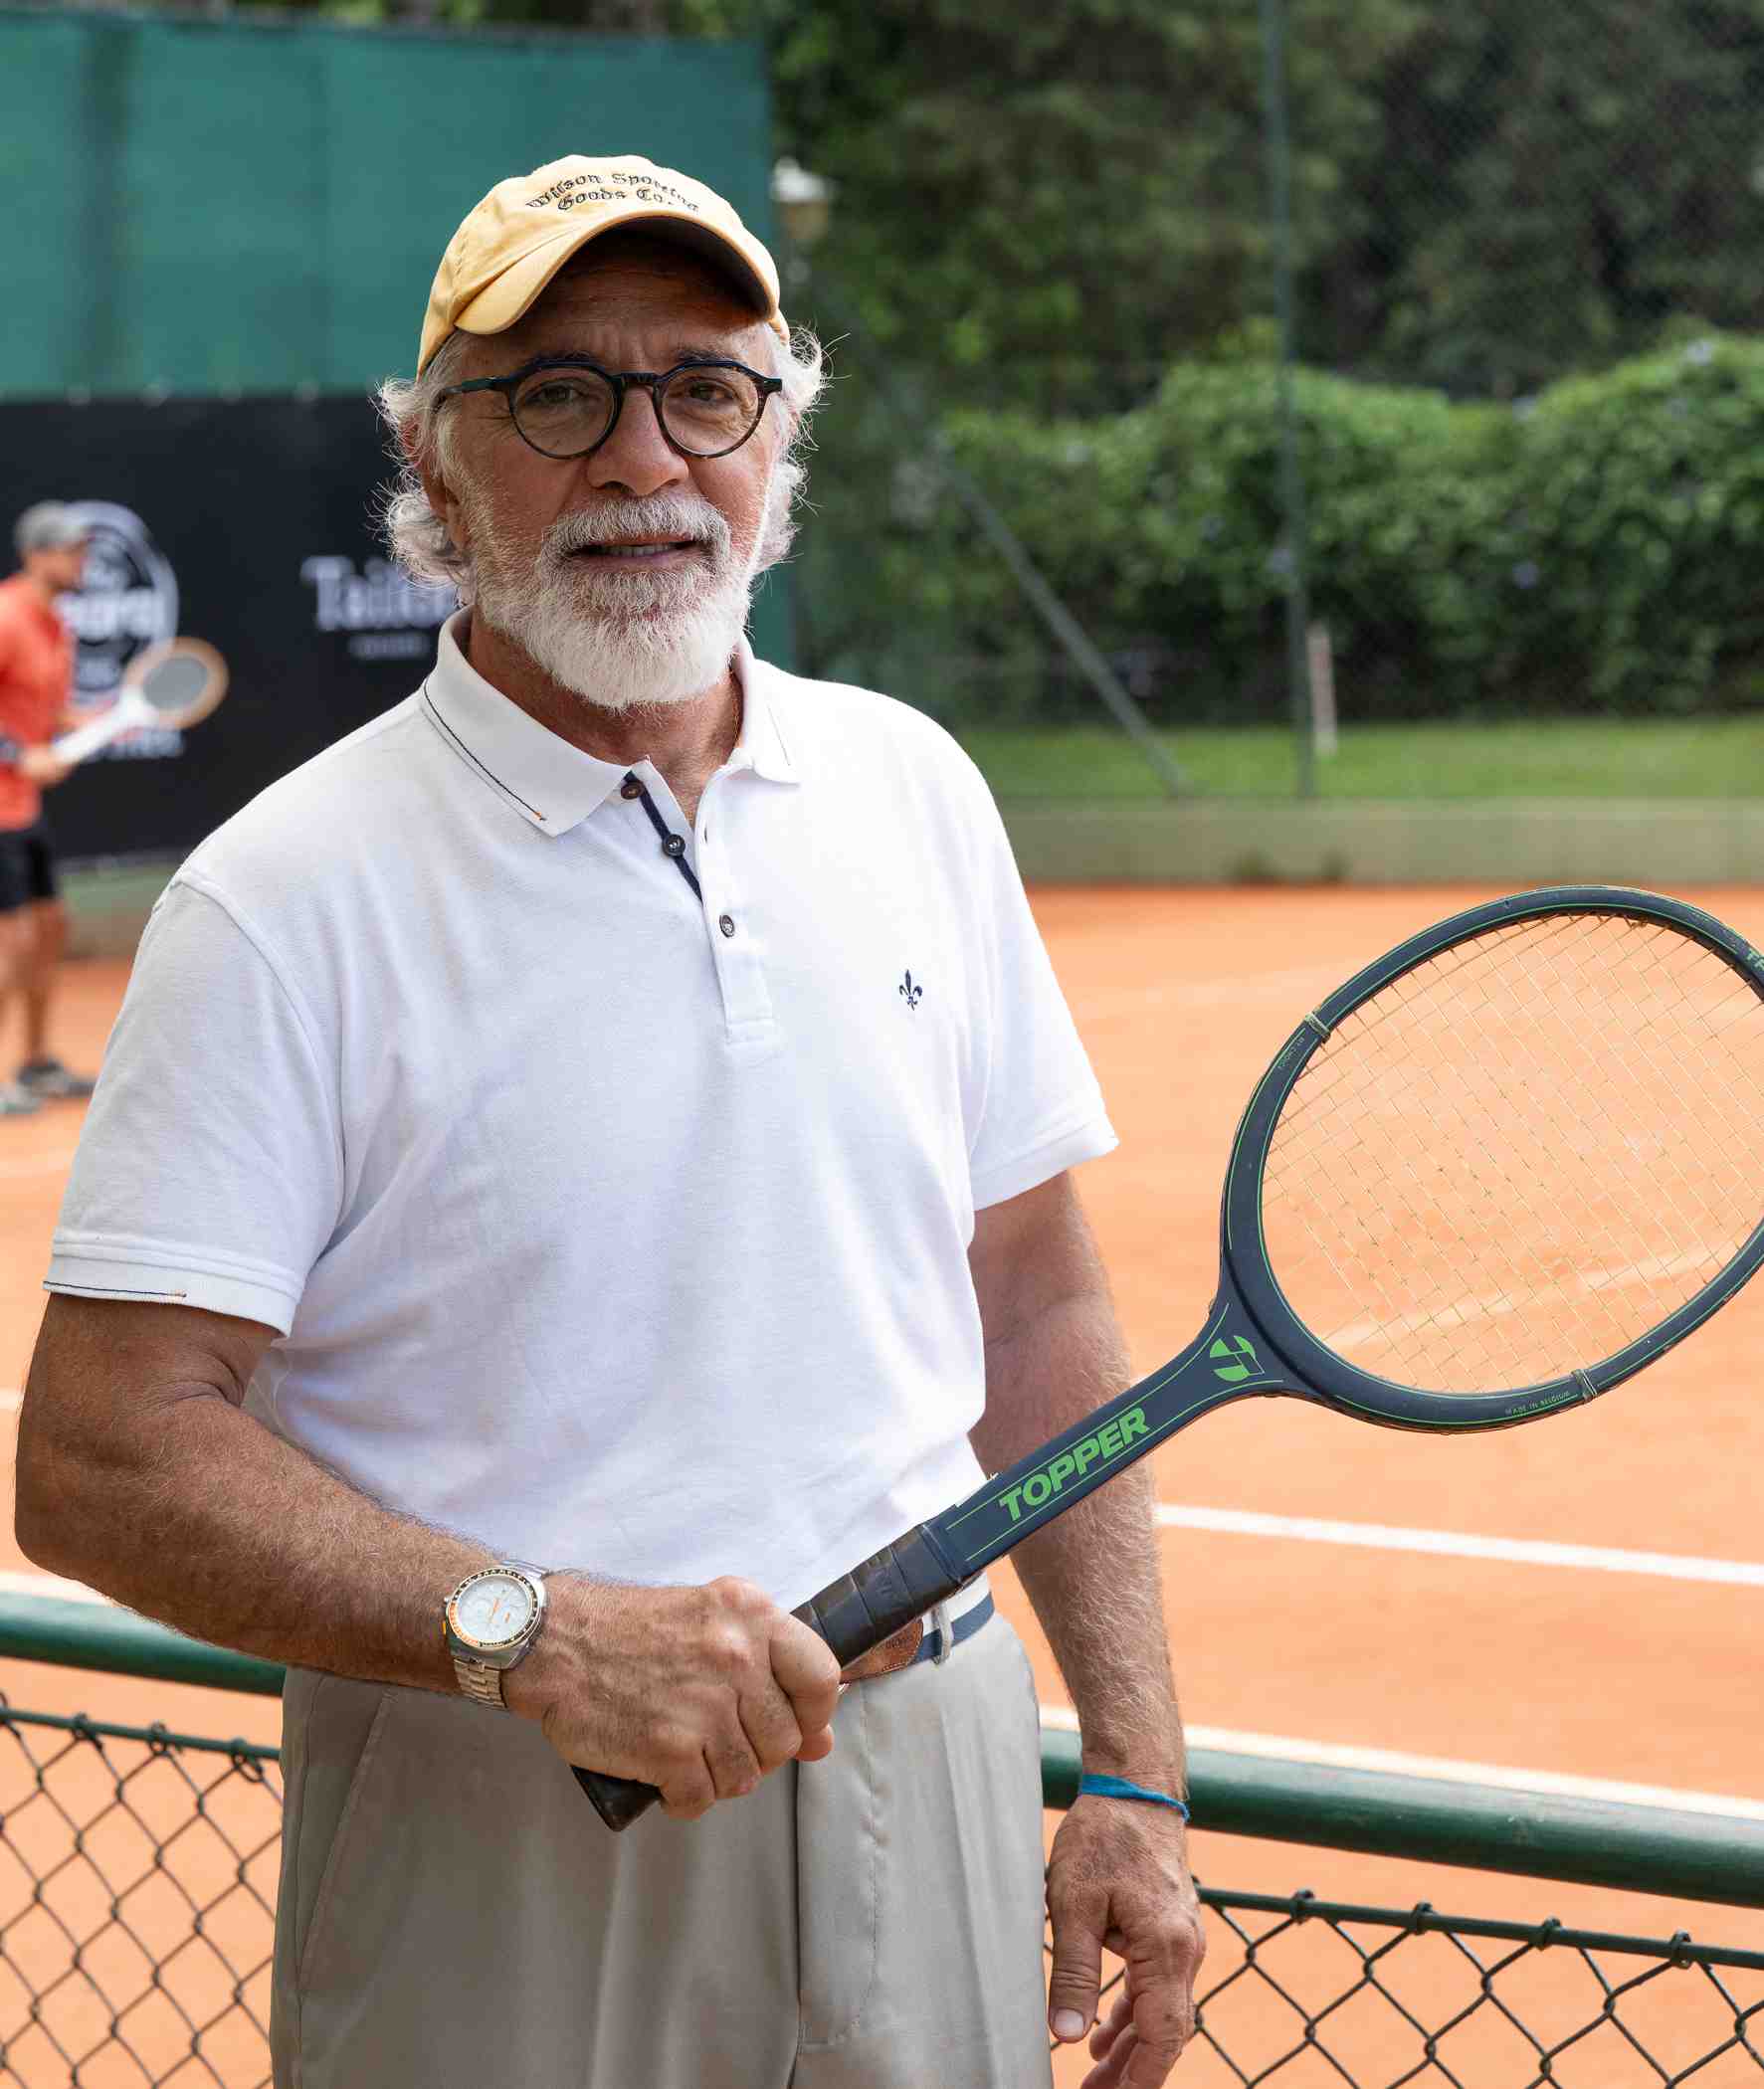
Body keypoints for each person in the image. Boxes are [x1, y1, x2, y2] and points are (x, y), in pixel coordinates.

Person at [16, 155, 1203, 2088]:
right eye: (558, 394)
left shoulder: (914, 787)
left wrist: (1134, 1768)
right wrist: (530, 1634)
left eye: (706, 390)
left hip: (935, 1767)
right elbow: (97, 1456)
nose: (644, 459)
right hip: (505, 1806)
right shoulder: (280, 898)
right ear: (434, 457)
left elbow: (1035, 1303)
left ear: (776, 437)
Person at [0, 504, 98, 1115]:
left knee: (48, 929)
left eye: (82, 549)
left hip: (23, 810)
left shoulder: (57, 626)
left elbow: (44, 711)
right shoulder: (7, 617)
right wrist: (17, 755)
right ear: (36, 556)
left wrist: (87, 722)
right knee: (11, 942)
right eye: (70, 550)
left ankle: (35, 1063)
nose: (81, 560)